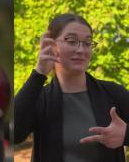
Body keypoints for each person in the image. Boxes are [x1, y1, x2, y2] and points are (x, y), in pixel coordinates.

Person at [14, 13, 129, 162]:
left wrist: (126, 134)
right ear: (51, 45)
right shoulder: (40, 98)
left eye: (87, 43)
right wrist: (39, 73)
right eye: (72, 41)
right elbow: (15, 134)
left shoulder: (113, 93)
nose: (81, 49)